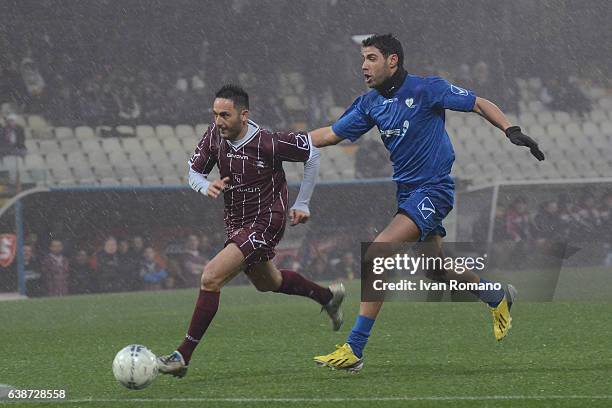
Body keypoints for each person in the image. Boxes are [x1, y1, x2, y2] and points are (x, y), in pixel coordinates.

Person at [309, 34, 545, 372]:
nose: (363, 65)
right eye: (363, 58)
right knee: (436, 271)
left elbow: (478, 103)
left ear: (393, 61)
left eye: (371, 58)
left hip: (433, 189)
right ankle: (496, 295)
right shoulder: (370, 103)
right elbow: (331, 135)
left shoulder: (426, 89)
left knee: (378, 251)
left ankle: (355, 349)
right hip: (407, 192)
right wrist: (280, 144)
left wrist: (511, 129)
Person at [157, 84, 345, 377]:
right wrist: (206, 185)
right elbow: (193, 172)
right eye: (215, 114)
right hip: (236, 223)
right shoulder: (214, 136)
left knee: (210, 277)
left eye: (225, 115)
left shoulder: (269, 142)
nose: (218, 121)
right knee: (269, 282)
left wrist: (303, 202)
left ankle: (183, 356)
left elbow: (313, 153)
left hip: (267, 220)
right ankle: (327, 297)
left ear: (244, 116)